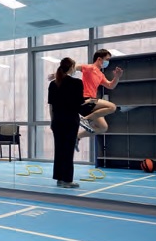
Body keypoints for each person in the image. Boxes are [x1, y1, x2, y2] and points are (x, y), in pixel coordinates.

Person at [74, 49, 123, 151]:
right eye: (107, 59)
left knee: (103, 128)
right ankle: (85, 119)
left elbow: (110, 85)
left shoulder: (100, 74)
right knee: (112, 106)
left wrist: (117, 77)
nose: (108, 62)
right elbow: (73, 67)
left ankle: (77, 136)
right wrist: (58, 74)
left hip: (91, 104)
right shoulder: (89, 68)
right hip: (84, 100)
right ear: (99, 59)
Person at [48, 58, 86, 188]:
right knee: (68, 150)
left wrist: (52, 121)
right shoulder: (77, 83)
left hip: (57, 120)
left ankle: (59, 178)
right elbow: (80, 102)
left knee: (59, 149)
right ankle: (67, 180)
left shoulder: (53, 83)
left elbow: (51, 106)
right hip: (70, 120)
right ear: (72, 67)